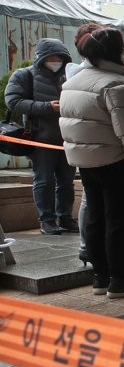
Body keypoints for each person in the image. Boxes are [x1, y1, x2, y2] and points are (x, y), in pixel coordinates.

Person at [60, 23, 124, 298]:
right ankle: (120, 280)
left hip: (87, 163)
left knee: (95, 219)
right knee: (118, 223)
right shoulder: (117, 85)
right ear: (115, 51)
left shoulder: (72, 83)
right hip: (117, 163)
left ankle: (100, 277)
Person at [4, 38, 77, 235]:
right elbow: (13, 101)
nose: (56, 61)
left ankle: (65, 218)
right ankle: (47, 220)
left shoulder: (70, 76)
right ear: (41, 57)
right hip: (40, 139)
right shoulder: (24, 75)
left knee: (66, 182)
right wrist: (47, 107)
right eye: (52, 57)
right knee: (44, 180)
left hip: (68, 138)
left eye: (60, 58)